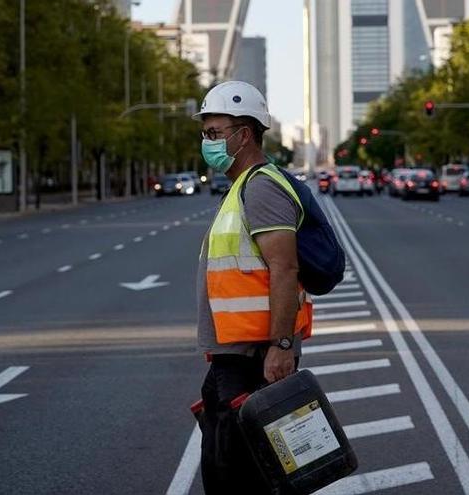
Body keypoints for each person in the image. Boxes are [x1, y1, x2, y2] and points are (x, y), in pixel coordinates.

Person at [193, 80, 314, 494]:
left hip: (256, 361)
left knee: (244, 480)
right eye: (205, 133)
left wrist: (280, 348)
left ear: (244, 135)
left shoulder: (261, 188)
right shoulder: (241, 188)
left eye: (214, 133)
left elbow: (285, 268)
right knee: (227, 472)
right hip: (234, 359)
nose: (207, 141)